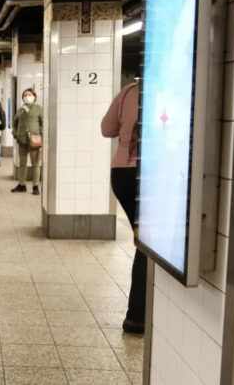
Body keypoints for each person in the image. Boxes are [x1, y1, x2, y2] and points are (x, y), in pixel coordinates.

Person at [101, 81, 146, 334]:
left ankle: (139, 313)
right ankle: (137, 316)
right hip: (149, 173)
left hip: (121, 174)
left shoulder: (129, 91)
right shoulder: (174, 88)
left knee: (144, 240)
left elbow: (107, 129)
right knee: (147, 244)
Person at [11, 88, 43, 195]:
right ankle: (22, 185)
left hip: (35, 141)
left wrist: (40, 136)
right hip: (22, 140)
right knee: (22, 163)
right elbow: (15, 123)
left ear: (34, 96)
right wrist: (15, 134)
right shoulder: (20, 110)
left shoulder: (39, 109)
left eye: (29, 95)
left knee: (35, 164)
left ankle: (35, 186)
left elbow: (43, 124)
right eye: (25, 95)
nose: (27, 97)